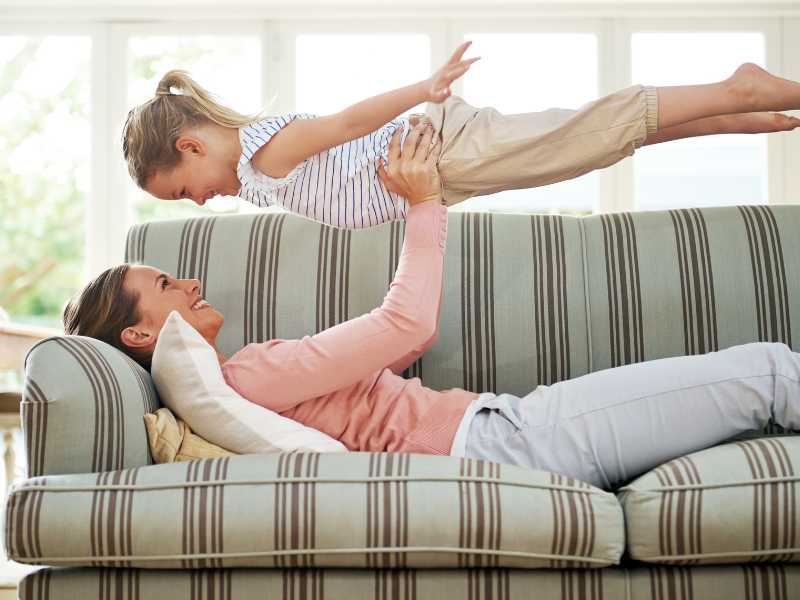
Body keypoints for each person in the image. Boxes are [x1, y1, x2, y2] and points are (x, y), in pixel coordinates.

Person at [68, 122, 799, 491]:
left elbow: (396, 348)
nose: (190, 284)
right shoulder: (247, 378)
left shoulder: (243, 379)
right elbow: (408, 326)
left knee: (766, 382)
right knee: (767, 374)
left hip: (504, 433)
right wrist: (426, 202)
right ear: (139, 331)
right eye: (168, 287)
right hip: (509, 443)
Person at [123, 42, 800, 230]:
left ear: (192, 147)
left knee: (587, 129)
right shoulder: (258, 181)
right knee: (591, 144)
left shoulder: (264, 154)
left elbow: (347, 123)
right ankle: (731, 112)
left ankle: (740, 90)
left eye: (186, 192)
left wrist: (425, 87)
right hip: (449, 174)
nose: (202, 201)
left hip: (445, 151)